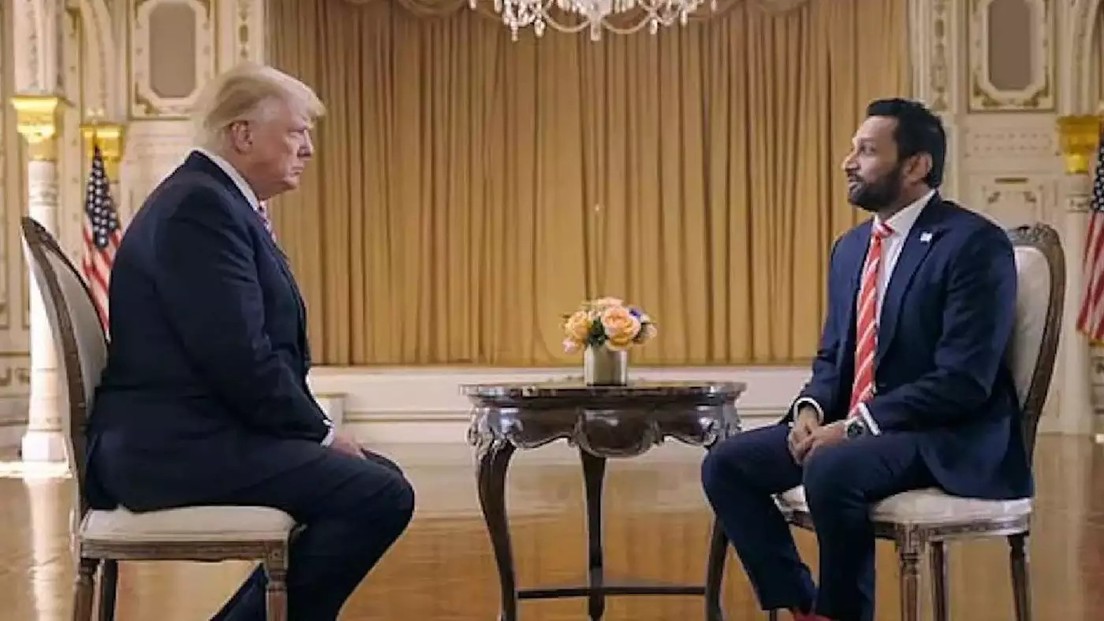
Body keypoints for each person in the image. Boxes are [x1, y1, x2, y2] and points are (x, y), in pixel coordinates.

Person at [86, 62, 415, 620]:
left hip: (192, 435)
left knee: (379, 481)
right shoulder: (200, 209)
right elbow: (238, 358)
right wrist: (322, 433)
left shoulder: (214, 201)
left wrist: (318, 434)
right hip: (171, 449)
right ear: (243, 134)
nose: (308, 148)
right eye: (296, 132)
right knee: (377, 494)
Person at [700, 98, 1029, 621]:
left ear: (916, 165)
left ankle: (843, 614)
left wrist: (856, 427)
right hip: (858, 427)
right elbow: (834, 355)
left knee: (833, 467)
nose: (848, 162)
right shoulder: (851, 247)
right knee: (727, 464)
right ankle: (803, 606)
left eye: (868, 151)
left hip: (943, 433)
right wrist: (810, 410)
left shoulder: (972, 243)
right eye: (853, 149)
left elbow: (962, 381)